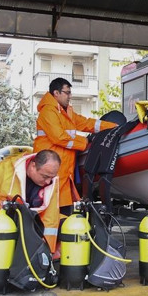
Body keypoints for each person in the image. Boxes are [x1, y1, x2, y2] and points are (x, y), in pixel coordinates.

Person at [0, 149, 61, 277]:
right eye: (45, 177)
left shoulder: (52, 180)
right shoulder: (3, 170)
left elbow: (50, 218)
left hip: (31, 223)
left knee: (69, 227)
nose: (48, 182)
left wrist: (47, 250)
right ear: (32, 166)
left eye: (51, 177)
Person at [33, 77, 117, 213]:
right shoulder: (48, 112)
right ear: (56, 93)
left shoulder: (66, 112)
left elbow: (87, 123)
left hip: (64, 170)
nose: (69, 96)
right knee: (51, 212)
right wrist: (84, 142)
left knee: (64, 212)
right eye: (67, 93)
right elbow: (59, 137)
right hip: (51, 169)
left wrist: (114, 127)